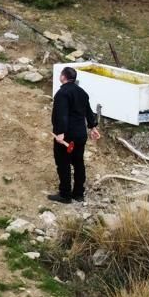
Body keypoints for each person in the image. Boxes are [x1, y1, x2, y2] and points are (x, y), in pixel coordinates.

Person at [49, 66, 102, 203]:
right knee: (78, 163)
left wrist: (60, 132)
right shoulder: (82, 93)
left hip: (67, 136)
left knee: (63, 163)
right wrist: (93, 127)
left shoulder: (62, 93)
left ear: (63, 77)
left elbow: (62, 114)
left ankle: (65, 194)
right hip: (80, 135)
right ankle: (78, 193)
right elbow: (88, 111)